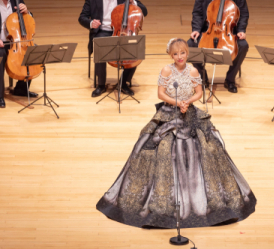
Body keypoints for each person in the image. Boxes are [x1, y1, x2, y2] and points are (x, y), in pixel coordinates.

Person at [96, 38, 256, 228]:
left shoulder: (193, 71)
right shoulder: (166, 70)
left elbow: (199, 91)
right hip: (169, 112)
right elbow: (161, 94)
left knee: (209, 147)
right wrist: (177, 102)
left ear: (187, 53)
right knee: (160, 148)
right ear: (170, 55)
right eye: (175, 54)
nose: (179, 57)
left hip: (189, 111)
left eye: (182, 53)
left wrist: (188, 101)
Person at [79, 0, 147, 97]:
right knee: (99, 44)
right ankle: (101, 85)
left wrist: (133, 0)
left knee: (136, 48)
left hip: (122, 31)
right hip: (103, 31)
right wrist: (91, 23)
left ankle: (123, 83)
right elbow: (81, 18)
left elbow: (144, 11)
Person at [188, 0, 249, 93]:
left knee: (243, 45)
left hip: (229, 30)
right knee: (190, 44)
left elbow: (243, 13)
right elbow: (197, 13)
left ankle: (230, 79)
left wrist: (241, 30)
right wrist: (196, 29)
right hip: (208, 29)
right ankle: (202, 77)